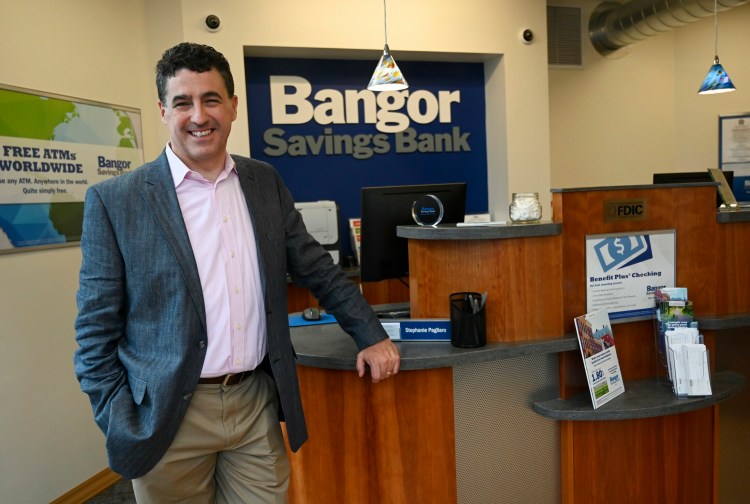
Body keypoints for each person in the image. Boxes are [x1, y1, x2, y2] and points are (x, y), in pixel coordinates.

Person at [73, 42, 400, 503]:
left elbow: (316, 269)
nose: (198, 115)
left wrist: (371, 333)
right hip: (167, 416)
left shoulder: (263, 181)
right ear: (163, 110)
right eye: (183, 102)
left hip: (253, 406)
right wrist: (122, 417)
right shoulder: (117, 201)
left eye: (210, 99)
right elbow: (94, 332)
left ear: (233, 107)